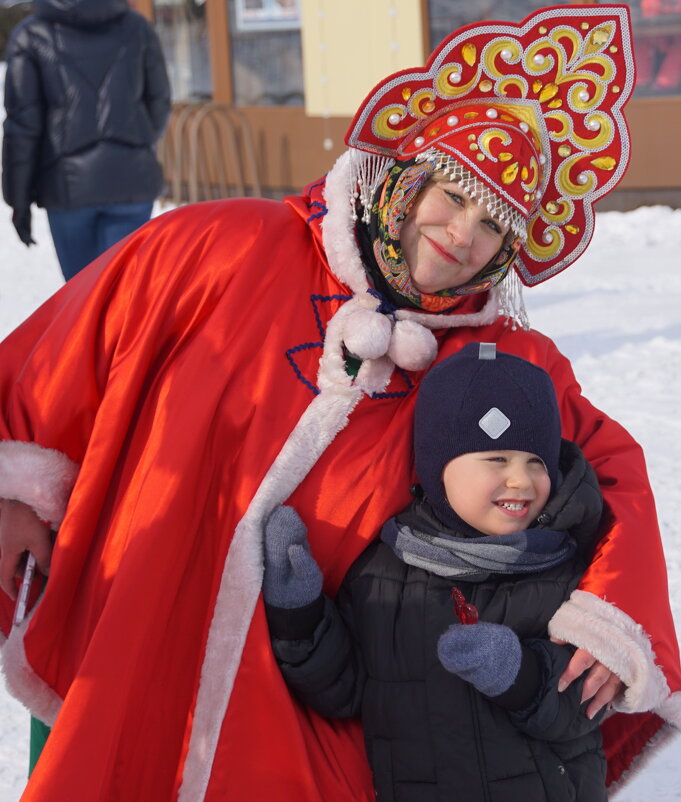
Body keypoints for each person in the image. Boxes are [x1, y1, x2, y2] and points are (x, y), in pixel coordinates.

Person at [0, 5, 678, 801]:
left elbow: (610, 468)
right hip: (134, 621)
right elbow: (67, 347)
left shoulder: (497, 362)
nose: (462, 234)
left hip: (309, 705)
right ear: (406, 175)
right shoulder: (227, 245)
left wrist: (607, 617)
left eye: (495, 224)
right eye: (452, 193)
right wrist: (16, 489)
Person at [263, 342, 608, 801]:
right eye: (496, 459)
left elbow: (588, 701)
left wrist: (522, 675)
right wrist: (300, 613)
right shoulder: (381, 574)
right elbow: (345, 690)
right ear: (438, 467)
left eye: (536, 462)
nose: (521, 481)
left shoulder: (570, 569)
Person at [2, 0, 171, 281]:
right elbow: (159, 103)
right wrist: (134, 146)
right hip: (131, 183)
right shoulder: (137, 27)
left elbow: (23, 127)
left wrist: (18, 200)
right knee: (126, 295)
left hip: (68, 191)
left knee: (83, 301)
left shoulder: (30, 35)